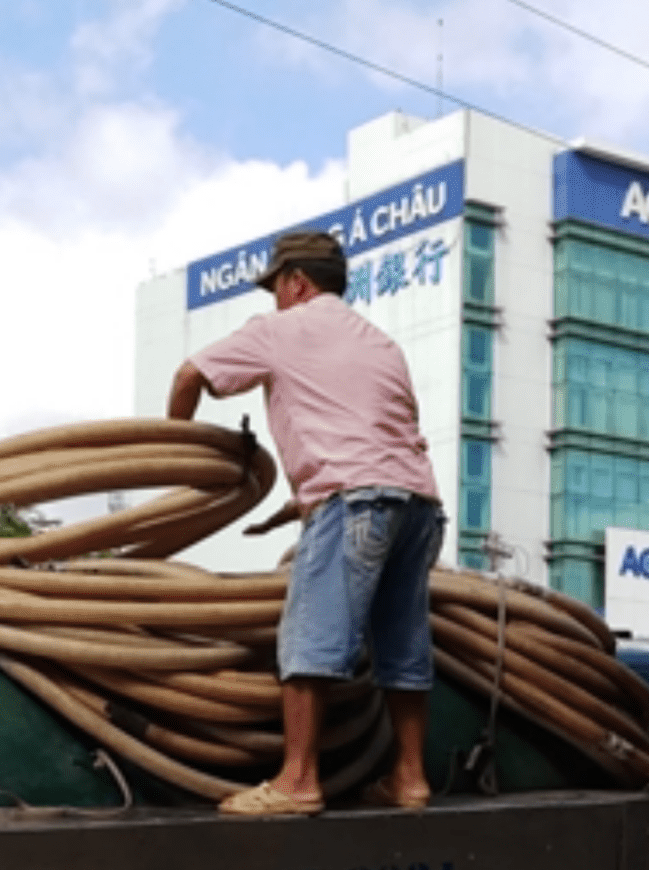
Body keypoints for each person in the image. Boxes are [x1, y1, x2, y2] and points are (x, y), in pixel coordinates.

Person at [168, 228, 446, 815]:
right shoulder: (381, 343)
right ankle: (411, 780)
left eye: (275, 287)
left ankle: (297, 781)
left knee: (307, 640)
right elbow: (379, 441)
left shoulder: (280, 329)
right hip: (418, 506)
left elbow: (188, 375)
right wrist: (298, 504)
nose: (272, 299)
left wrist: (179, 458)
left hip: (354, 501)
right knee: (402, 646)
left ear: (296, 282)